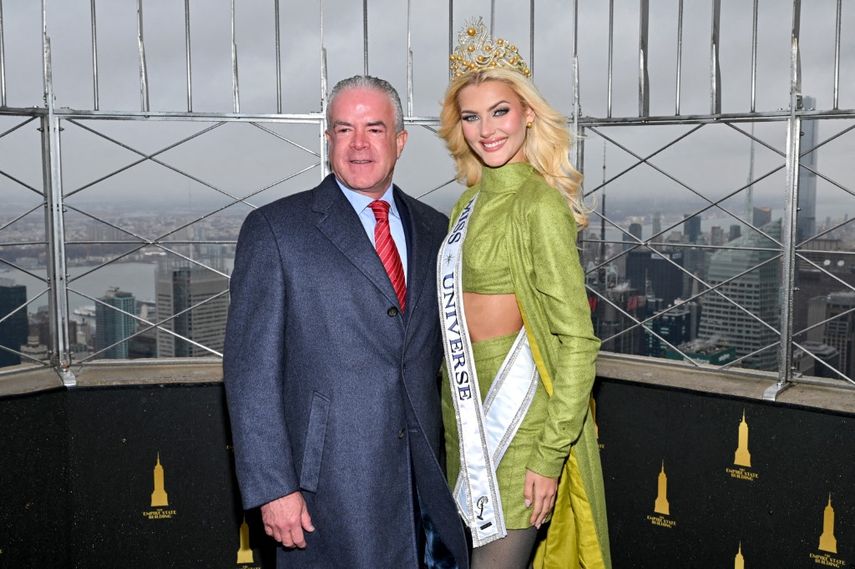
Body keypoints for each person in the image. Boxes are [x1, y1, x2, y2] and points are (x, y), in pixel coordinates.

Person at [224, 75, 468, 569]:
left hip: (425, 485)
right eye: (344, 129)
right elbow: (250, 375)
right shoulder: (275, 230)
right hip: (326, 490)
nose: (359, 144)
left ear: (399, 141)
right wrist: (275, 489)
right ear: (329, 139)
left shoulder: (436, 229)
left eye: (374, 129)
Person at [436, 19, 611, 569]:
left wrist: (548, 454)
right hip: (462, 413)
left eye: (500, 111)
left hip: (518, 427)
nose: (486, 129)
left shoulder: (538, 205)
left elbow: (579, 343)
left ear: (528, 113)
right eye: (471, 116)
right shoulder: (465, 206)